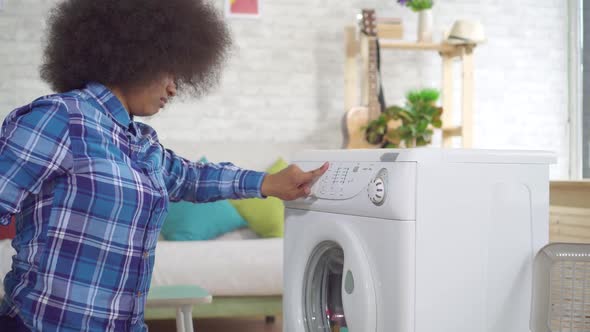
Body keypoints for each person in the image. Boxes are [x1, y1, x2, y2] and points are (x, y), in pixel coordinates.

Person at [0, 0, 328, 330]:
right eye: (169, 71)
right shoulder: (60, 119)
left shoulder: (141, 141)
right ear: (133, 56)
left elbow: (191, 178)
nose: (174, 88)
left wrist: (268, 183)